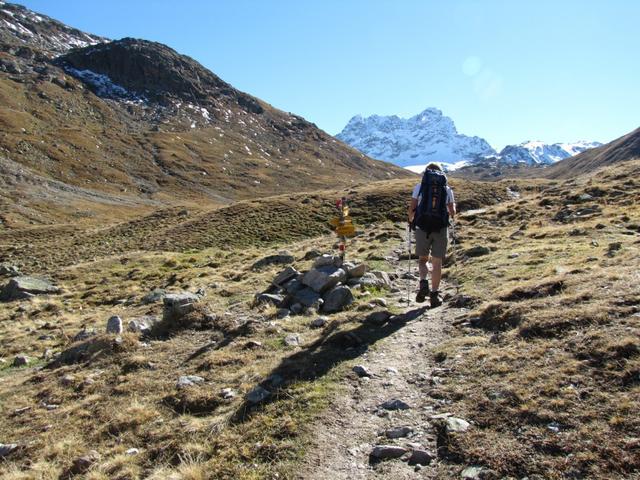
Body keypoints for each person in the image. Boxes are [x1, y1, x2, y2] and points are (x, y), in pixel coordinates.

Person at [407, 162, 456, 307]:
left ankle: (423, 283)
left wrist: (410, 219)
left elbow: (412, 207)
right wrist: (451, 214)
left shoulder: (420, 187)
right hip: (440, 228)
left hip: (422, 227)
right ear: (441, 174)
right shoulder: (446, 189)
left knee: (423, 260)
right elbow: (452, 212)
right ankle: (434, 295)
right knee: (437, 263)